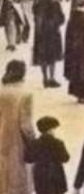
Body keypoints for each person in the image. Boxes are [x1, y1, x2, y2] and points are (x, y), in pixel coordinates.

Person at [0, 60, 35, 194]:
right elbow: (25, 124)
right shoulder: (25, 94)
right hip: (17, 141)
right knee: (18, 177)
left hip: (2, 138)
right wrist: (33, 139)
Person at [33, 0, 66, 88]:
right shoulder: (55, 4)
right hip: (52, 34)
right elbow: (61, 18)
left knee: (43, 57)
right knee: (52, 57)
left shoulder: (38, 5)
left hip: (41, 35)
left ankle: (45, 78)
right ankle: (51, 78)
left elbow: (36, 18)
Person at [26, 116, 69, 194]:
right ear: (50, 130)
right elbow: (66, 158)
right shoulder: (58, 143)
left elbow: (28, 158)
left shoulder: (35, 144)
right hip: (56, 176)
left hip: (40, 176)